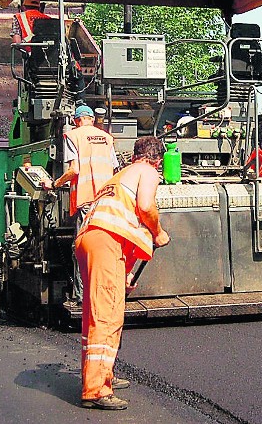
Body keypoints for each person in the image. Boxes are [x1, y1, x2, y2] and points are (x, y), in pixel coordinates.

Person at [75, 136, 170, 410]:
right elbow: (145, 207)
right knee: (107, 315)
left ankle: (104, 374)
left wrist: (125, 273)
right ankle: (95, 390)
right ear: (158, 160)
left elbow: (120, 225)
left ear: (132, 156)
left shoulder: (118, 178)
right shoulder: (148, 171)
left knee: (97, 311)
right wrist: (158, 232)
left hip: (90, 241)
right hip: (104, 243)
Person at [40, 105, 118, 306]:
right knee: (106, 246)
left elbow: (74, 170)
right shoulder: (107, 138)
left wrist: (54, 184)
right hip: (107, 200)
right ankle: (108, 293)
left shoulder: (73, 136)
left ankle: (82, 297)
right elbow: (114, 169)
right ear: (92, 119)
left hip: (87, 200)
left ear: (76, 120)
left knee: (83, 247)